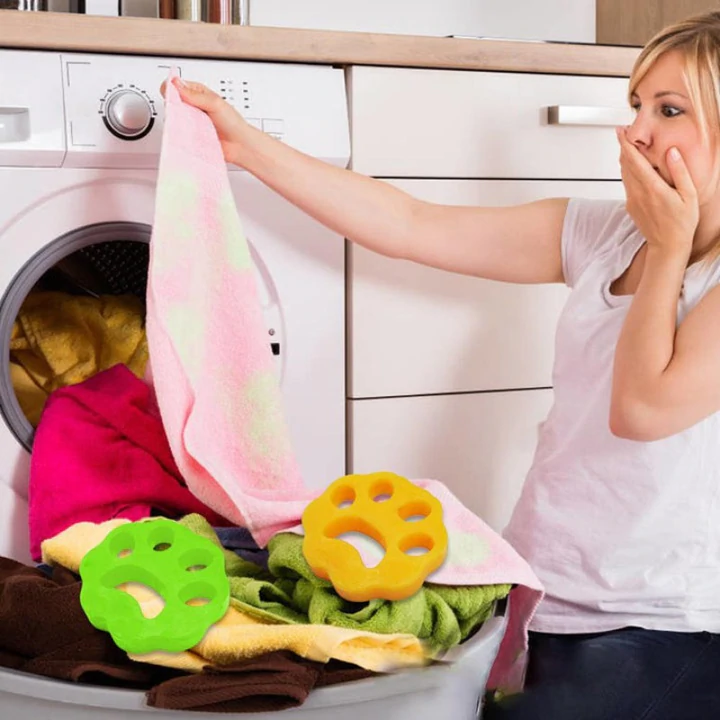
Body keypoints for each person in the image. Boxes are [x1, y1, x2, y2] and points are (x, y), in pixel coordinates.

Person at [162, 9, 720, 719]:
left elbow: (642, 410)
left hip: (664, 625)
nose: (635, 130)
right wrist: (247, 147)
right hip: (553, 599)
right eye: (636, 104)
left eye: (669, 110)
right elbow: (409, 225)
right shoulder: (603, 233)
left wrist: (670, 250)